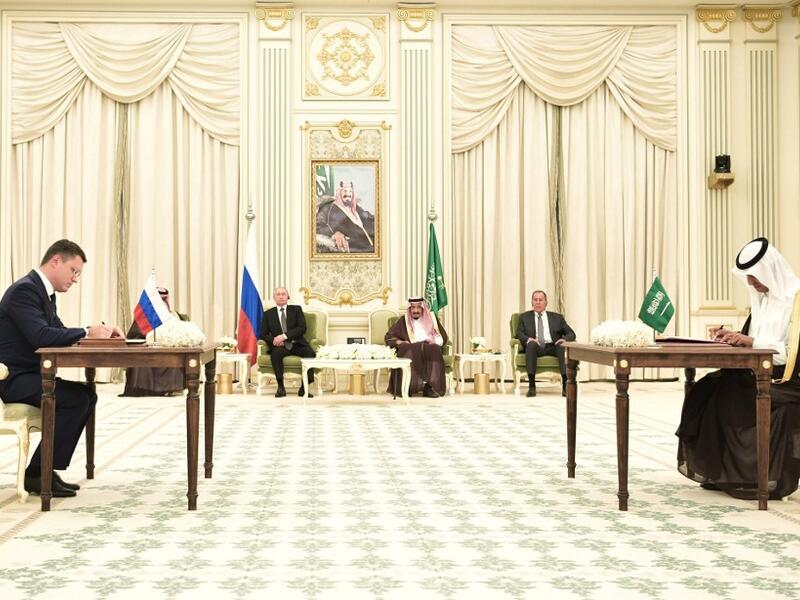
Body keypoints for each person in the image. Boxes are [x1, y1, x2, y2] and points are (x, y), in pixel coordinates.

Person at [676, 238, 800, 500]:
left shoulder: (796, 303)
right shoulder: (763, 300)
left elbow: (790, 356)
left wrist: (751, 342)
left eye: (755, 277)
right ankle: (723, 473)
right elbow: (751, 337)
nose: (751, 283)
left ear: (770, 271)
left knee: (728, 395)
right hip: (757, 374)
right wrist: (730, 335)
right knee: (706, 389)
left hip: (787, 381)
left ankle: (754, 478)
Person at [0, 239, 124, 497]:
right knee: (76, 399)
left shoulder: (43, 292)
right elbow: (42, 336)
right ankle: (38, 474)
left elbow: (59, 332)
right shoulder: (24, 291)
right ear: (56, 261)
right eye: (74, 271)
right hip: (13, 379)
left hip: (29, 375)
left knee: (87, 395)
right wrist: (87, 332)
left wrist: (96, 334)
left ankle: (41, 470)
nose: (75, 279)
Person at [120, 287, 188, 397]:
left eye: (165, 298)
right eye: (160, 299)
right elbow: (134, 337)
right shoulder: (145, 316)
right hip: (148, 350)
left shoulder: (174, 315)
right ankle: (145, 388)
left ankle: (172, 387)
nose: (163, 301)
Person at [516, 290, 576, 397]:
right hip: (536, 347)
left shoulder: (557, 317)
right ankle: (532, 386)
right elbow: (519, 333)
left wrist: (564, 339)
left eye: (540, 300)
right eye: (535, 300)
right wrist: (527, 339)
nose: (538, 302)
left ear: (546, 303)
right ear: (532, 302)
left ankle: (565, 386)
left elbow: (571, 333)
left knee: (562, 345)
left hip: (553, 346)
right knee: (531, 345)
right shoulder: (524, 317)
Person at [258, 287, 316, 398]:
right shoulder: (268, 314)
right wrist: (274, 340)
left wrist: (284, 337)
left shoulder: (296, 309)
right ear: (274, 298)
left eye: (283, 294)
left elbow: (302, 328)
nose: (281, 296)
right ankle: (280, 387)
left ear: (287, 297)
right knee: (275, 354)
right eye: (278, 294)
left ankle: (304, 388)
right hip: (280, 346)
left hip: (297, 343)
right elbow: (263, 334)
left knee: (310, 353)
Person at [385, 298, 449, 398]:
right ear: (409, 309)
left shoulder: (432, 319)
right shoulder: (403, 321)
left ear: (423, 308)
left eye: (418, 307)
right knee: (407, 348)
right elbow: (389, 337)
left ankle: (430, 388)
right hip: (411, 348)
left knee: (434, 349)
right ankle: (408, 387)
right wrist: (400, 342)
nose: (416, 310)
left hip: (428, 347)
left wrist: (435, 341)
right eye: (413, 308)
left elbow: (442, 337)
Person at [316, 180, 375, 253]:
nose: (348, 194)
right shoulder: (329, 208)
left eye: (350, 191)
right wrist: (334, 234)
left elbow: (369, 218)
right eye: (345, 191)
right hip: (353, 252)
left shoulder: (356, 208)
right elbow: (318, 224)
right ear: (339, 192)